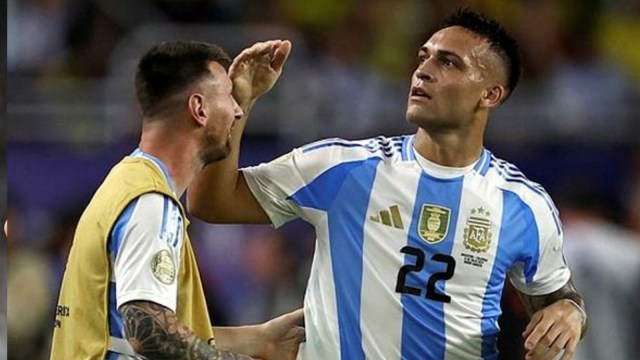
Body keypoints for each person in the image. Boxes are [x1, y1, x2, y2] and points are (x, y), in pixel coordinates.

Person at [189, 8, 587, 360]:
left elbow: (557, 298)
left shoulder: (522, 205)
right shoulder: (344, 167)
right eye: (423, 57)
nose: (424, 70)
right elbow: (212, 203)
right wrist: (240, 102)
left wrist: (571, 313)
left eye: (449, 63)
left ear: (491, 94)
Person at [50, 40, 304, 359]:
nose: (238, 110)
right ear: (199, 109)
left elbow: (124, 331)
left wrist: (259, 339)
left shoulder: (125, 184)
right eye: (228, 97)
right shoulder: (152, 202)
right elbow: (149, 332)